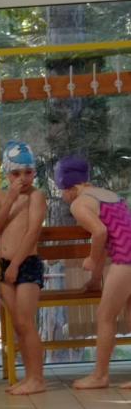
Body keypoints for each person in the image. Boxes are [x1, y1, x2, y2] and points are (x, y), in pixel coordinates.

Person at [55, 154, 131, 390]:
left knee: (105, 316)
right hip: (126, 257)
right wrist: (96, 279)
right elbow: (111, 237)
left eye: (61, 191)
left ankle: (100, 376)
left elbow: (99, 233)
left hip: (126, 260)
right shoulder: (110, 195)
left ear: (69, 187)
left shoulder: (79, 204)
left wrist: (90, 258)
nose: (62, 196)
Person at [0, 141, 47, 395]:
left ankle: (37, 379)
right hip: (5, 266)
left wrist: (15, 265)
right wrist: (11, 198)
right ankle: (29, 376)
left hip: (26, 265)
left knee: (26, 322)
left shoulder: (37, 196)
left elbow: (33, 231)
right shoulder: (1, 196)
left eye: (28, 172)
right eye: (16, 173)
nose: (22, 178)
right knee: (18, 325)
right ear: (7, 174)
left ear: (34, 172)